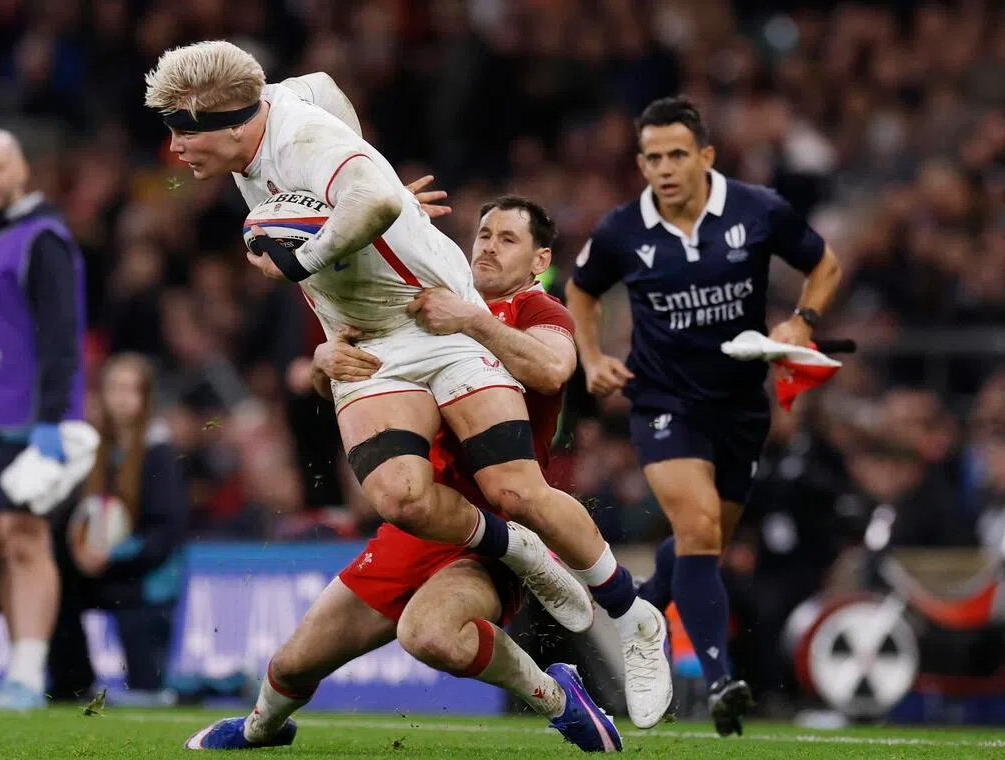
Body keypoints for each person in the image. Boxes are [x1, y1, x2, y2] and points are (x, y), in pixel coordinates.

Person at [144, 43, 669, 723]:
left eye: (184, 131)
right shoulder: (274, 110)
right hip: (373, 341)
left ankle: (632, 615)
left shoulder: (301, 142)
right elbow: (327, 88)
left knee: (516, 490)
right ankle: (517, 555)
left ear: (231, 123)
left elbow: (367, 198)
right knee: (396, 496)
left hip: (434, 315)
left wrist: (316, 245)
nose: (176, 147)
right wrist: (366, 179)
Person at [186, 195, 620, 752]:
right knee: (292, 666)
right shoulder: (427, 304)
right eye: (483, 234)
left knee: (430, 635)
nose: (488, 245)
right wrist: (323, 363)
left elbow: (554, 368)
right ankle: (258, 729)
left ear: (540, 260)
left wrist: (473, 321)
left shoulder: (540, 313)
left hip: (491, 531)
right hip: (418, 522)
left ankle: (558, 697)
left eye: (507, 239)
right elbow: (349, 376)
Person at [565, 96, 843, 736]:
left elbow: (823, 266)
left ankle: (633, 619)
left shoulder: (758, 209)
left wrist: (803, 319)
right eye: (653, 157)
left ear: (706, 157)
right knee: (695, 525)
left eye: (677, 155)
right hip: (663, 402)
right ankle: (720, 680)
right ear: (641, 163)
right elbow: (580, 289)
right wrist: (592, 355)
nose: (664, 168)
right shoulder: (621, 229)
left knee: (704, 540)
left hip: (743, 408)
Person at [0, 129, 86, 710]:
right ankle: (15, 670)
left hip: (22, 418)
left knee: (25, 540)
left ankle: (29, 674)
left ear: (22, 171)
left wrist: (55, 418)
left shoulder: (42, 238)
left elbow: (61, 336)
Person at [47, 353, 187, 706]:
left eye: (131, 389)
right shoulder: (90, 450)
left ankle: (224, 685)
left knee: (148, 691)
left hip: (146, 578)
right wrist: (79, 552)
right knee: (55, 588)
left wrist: (110, 555)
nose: (122, 398)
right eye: (114, 388)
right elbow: (69, 516)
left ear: (145, 398)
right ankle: (72, 683)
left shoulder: (158, 453)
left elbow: (165, 534)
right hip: (101, 571)